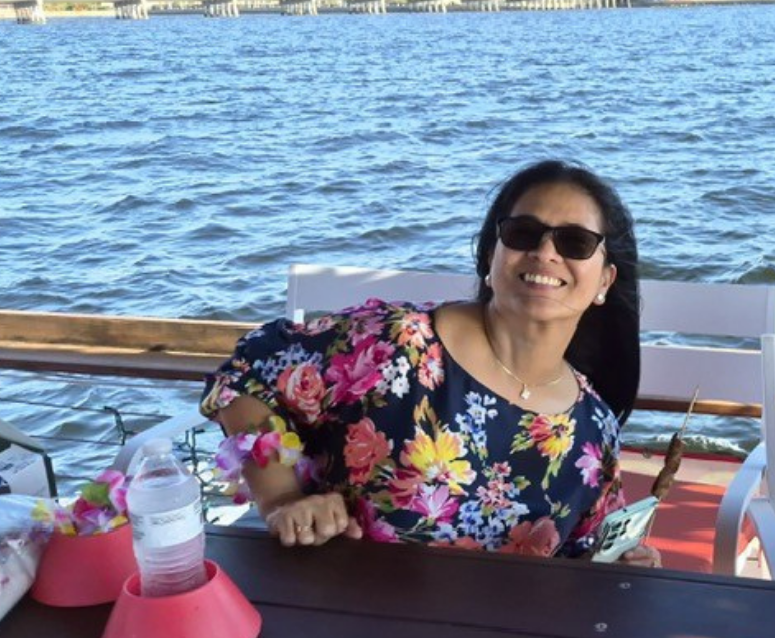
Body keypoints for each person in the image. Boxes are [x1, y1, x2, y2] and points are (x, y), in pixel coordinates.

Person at [199, 159, 659, 566]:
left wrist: (620, 566)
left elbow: (583, 554)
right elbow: (248, 376)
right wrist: (282, 497)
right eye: (523, 233)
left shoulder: (593, 428)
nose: (545, 253)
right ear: (491, 255)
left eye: (575, 242)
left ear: (604, 281)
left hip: (497, 633)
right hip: (339, 612)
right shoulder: (396, 345)